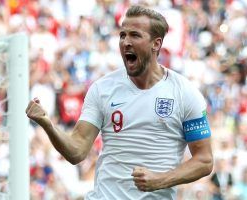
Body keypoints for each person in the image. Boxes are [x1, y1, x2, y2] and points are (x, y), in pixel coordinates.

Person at [26, 5, 213, 200]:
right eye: (122, 35)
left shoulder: (185, 93)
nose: (126, 42)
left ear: (156, 44)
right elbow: (77, 152)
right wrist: (47, 124)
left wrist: (161, 180)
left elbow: (204, 161)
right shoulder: (102, 89)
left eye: (135, 35)